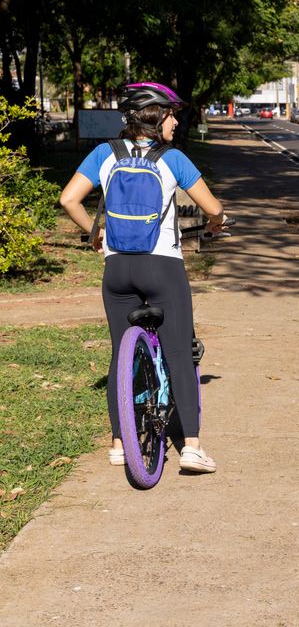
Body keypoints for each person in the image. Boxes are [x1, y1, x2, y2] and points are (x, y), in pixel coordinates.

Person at [59, 82, 227, 473]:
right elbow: (213, 207)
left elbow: (69, 199)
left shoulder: (104, 153)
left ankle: (119, 444)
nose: (175, 121)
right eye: (172, 114)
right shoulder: (173, 158)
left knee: (121, 352)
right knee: (180, 353)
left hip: (117, 270)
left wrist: (95, 236)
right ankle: (192, 447)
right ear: (155, 116)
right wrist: (217, 223)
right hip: (161, 267)